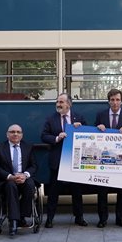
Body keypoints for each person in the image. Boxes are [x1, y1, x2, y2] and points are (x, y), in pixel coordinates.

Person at [41, 93, 88, 228]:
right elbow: (44, 136)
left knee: (77, 192)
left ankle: (79, 218)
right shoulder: (51, 119)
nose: (58, 104)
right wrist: (56, 138)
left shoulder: (78, 118)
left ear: (69, 104)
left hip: (75, 161)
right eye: (57, 102)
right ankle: (49, 219)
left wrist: (82, 128)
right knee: (53, 192)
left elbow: (89, 136)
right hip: (58, 160)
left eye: (61, 102)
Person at [93, 88, 122, 227]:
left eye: (117, 100)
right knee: (102, 191)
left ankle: (120, 218)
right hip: (104, 160)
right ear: (108, 101)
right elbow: (92, 137)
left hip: (121, 161)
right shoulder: (100, 115)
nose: (115, 102)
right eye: (112, 100)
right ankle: (102, 219)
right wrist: (97, 127)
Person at [0, 124, 38, 237]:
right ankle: (13, 222)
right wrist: (10, 177)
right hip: (7, 180)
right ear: (7, 134)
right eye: (12, 132)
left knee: (30, 185)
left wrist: (25, 175)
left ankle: (22, 216)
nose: (15, 134)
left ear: (22, 135)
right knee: (11, 186)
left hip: (23, 178)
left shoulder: (28, 147)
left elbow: (34, 165)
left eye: (18, 132)